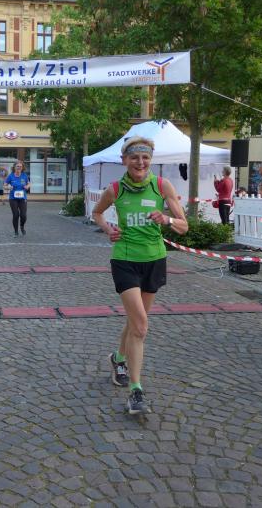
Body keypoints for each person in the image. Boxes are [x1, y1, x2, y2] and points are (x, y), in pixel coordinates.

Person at [92, 136, 188, 415]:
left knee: (136, 321)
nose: (140, 162)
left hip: (154, 260)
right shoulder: (115, 189)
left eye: (145, 157)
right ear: (124, 160)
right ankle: (136, 390)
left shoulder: (162, 186)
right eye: (134, 157)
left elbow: (183, 226)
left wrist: (167, 219)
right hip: (124, 260)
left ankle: (118, 358)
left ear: (151, 160)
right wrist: (109, 229)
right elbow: (97, 213)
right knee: (142, 326)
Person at [5, 161, 31, 236]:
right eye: (18, 166)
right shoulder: (10, 176)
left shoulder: (24, 175)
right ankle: (16, 231)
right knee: (16, 215)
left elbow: (29, 183)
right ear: (14, 167)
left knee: (23, 215)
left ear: (22, 168)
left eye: (20, 166)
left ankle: (22, 226)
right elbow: (4, 185)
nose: (19, 168)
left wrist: (27, 186)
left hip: (22, 198)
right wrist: (8, 187)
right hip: (13, 198)